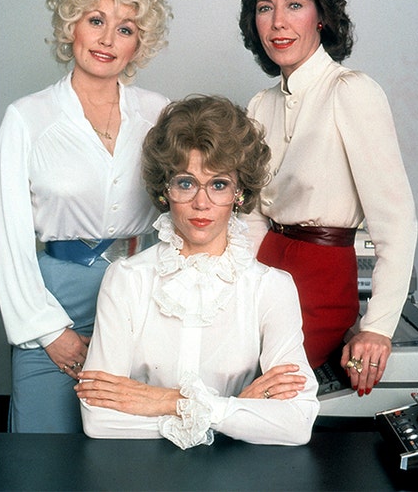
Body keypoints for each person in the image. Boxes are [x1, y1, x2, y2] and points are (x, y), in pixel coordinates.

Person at [75, 95, 318, 448]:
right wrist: (238, 411)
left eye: (218, 184)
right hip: (139, 471)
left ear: (239, 193)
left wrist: (167, 401)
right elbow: (99, 418)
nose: (201, 202)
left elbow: (297, 424)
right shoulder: (127, 279)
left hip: (233, 475)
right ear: (165, 190)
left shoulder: (271, 288)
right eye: (186, 183)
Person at [0, 0, 172, 433]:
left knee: (130, 463)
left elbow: (187, 213)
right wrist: (49, 331)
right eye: (96, 20)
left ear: (140, 43)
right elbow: (5, 240)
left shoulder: (161, 115)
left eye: (126, 28)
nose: (107, 40)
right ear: (71, 23)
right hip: (54, 306)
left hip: (144, 302)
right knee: (43, 459)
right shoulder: (27, 119)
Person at [238, 0, 418, 397]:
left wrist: (377, 327)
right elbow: (251, 217)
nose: (278, 22)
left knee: (268, 394)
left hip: (321, 278)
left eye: (294, 5)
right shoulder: (260, 105)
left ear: (321, 16)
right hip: (262, 270)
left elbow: (396, 222)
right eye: (265, 8)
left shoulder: (352, 92)